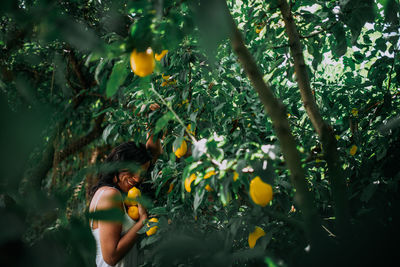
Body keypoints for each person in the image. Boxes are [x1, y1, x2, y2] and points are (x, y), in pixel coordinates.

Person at [89, 128, 162, 266]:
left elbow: (154, 154)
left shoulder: (123, 195)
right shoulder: (110, 195)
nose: (137, 179)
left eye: (141, 174)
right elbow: (110, 257)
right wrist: (142, 222)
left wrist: (154, 118)